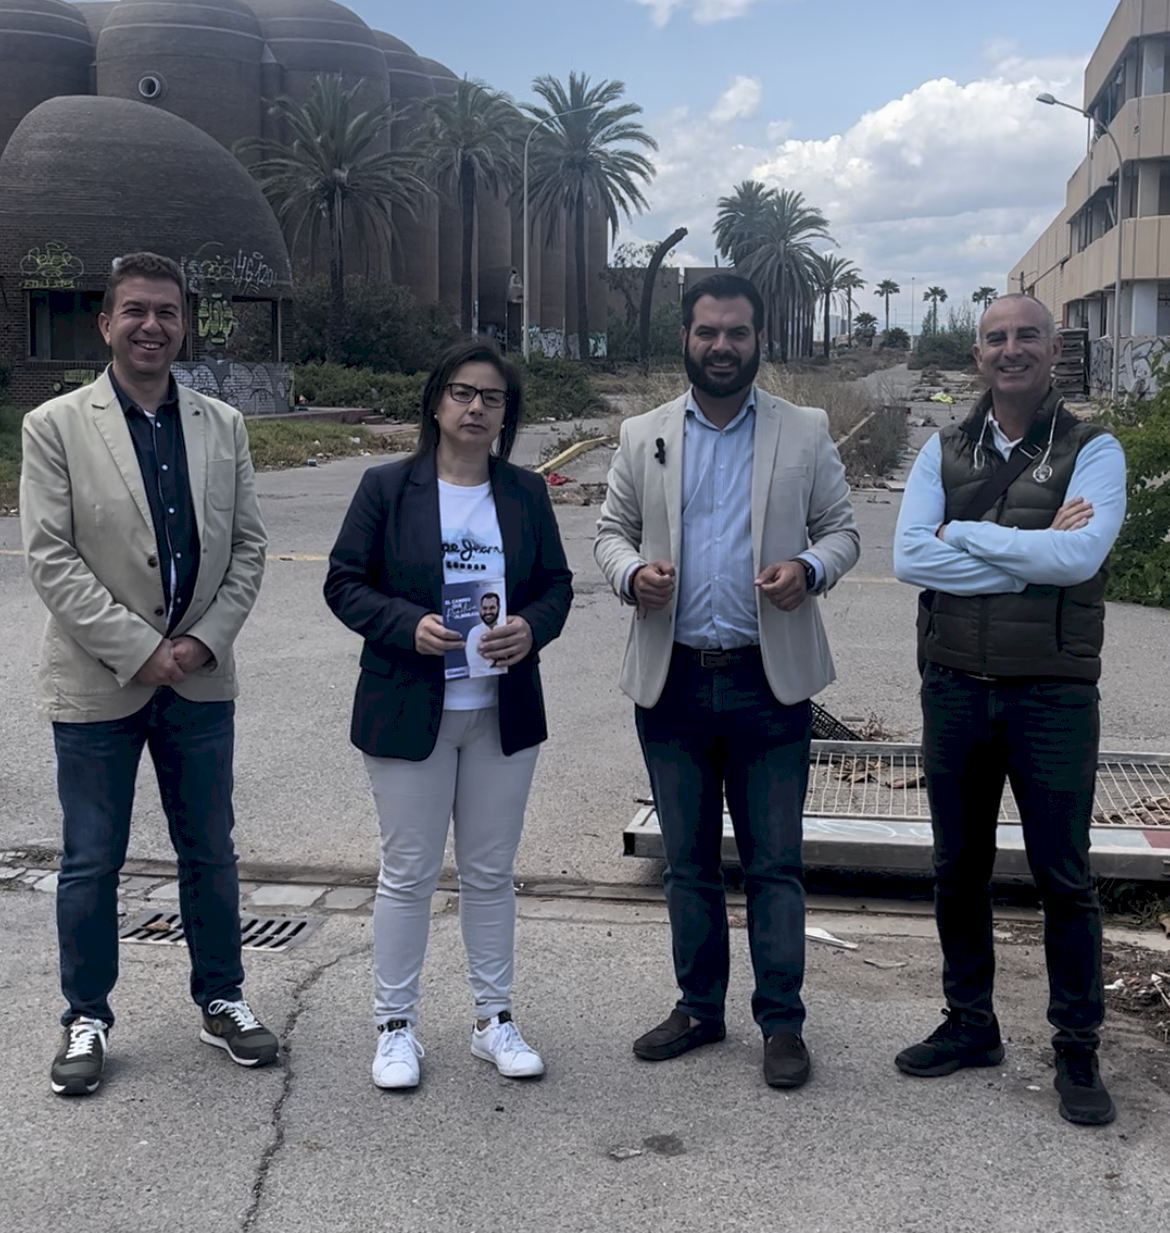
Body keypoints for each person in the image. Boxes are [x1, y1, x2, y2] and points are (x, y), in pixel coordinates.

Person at [20, 251, 278, 1097]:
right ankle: (86, 1016)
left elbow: (247, 548)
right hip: (98, 682)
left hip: (200, 679)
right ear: (106, 323)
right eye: (135, 310)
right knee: (93, 858)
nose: (151, 326)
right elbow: (51, 558)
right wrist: (141, 649)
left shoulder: (222, 426)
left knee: (209, 850)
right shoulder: (55, 425)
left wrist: (201, 641)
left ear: (184, 325)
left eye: (167, 312)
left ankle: (222, 998)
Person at [594, 273, 859, 1089]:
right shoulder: (642, 433)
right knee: (687, 862)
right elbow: (610, 531)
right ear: (685, 337)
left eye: (736, 333)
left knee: (775, 862)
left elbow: (842, 531)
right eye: (707, 331)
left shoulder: (804, 430)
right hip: (672, 683)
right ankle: (699, 1008)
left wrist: (809, 568)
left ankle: (781, 1021)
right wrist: (631, 573)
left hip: (767, 684)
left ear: (757, 340)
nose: (721, 346)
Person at [893, 293, 1127, 1127]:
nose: (1011, 349)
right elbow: (907, 555)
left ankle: (1077, 1046)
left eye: (1027, 335)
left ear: (1053, 348)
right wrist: (1034, 555)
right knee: (958, 868)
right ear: (979, 354)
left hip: (1051, 693)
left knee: (1064, 875)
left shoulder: (1094, 449)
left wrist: (962, 535)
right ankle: (971, 1023)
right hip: (955, 685)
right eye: (996, 337)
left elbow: (1082, 555)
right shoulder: (943, 448)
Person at [324, 339, 572, 1090]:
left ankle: (494, 1019)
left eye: (492, 398)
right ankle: (395, 1026)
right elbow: (343, 582)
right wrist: (408, 625)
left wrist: (531, 628)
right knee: (408, 873)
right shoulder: (386, 487)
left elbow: (556, 585)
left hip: (500, 712)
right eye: (462, 392)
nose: (475, 407)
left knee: (492, 872)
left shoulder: (524, 493)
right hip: (409, 709)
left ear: (506, 414)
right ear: (436, 402)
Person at [465, 591, 502, 676]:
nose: (488, 612)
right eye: (485, 608)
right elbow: (476, 665)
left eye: (492, 608)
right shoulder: (474, 633)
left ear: (499, 607)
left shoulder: (505, 628)